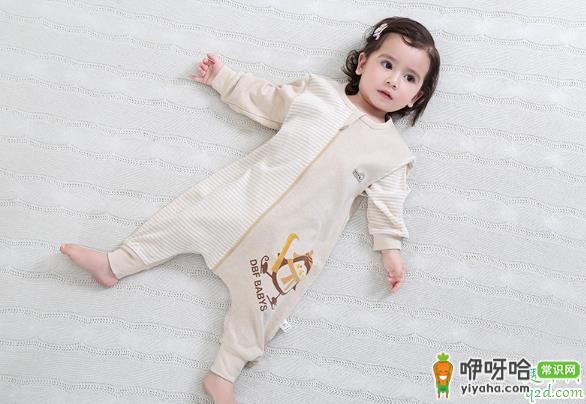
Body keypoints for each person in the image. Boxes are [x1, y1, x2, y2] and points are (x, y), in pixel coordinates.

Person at [60, 16, 440, 404]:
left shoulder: (391, 154)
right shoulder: (317, 93)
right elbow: (267, 99)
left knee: (262, 309)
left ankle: (223, 374)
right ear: (362, 63)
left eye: (410, 78)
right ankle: (115, 264)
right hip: (241, 199)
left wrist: (390, 251)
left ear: (417, 97)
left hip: (289, 244)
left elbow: (388, 205)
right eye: (387, 64)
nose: (394, 81)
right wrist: (223, 79)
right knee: (184, 219)